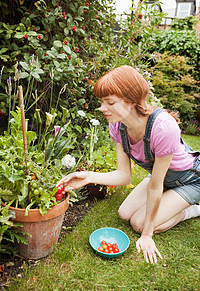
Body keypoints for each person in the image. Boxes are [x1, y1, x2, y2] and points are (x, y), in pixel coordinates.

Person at [57, 65, 200, 264]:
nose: (102, 108)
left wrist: (147, 235)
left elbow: (155, 185)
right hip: (163, 178)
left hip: (189, 180)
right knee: (124, 213)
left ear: (132, 101)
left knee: (139, 224)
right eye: (102, 102)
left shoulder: (164, 127)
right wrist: (88, 177)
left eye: (110, 102)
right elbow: (124, 175)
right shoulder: (117, 125)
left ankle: (191, 211)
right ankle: (173, 204)